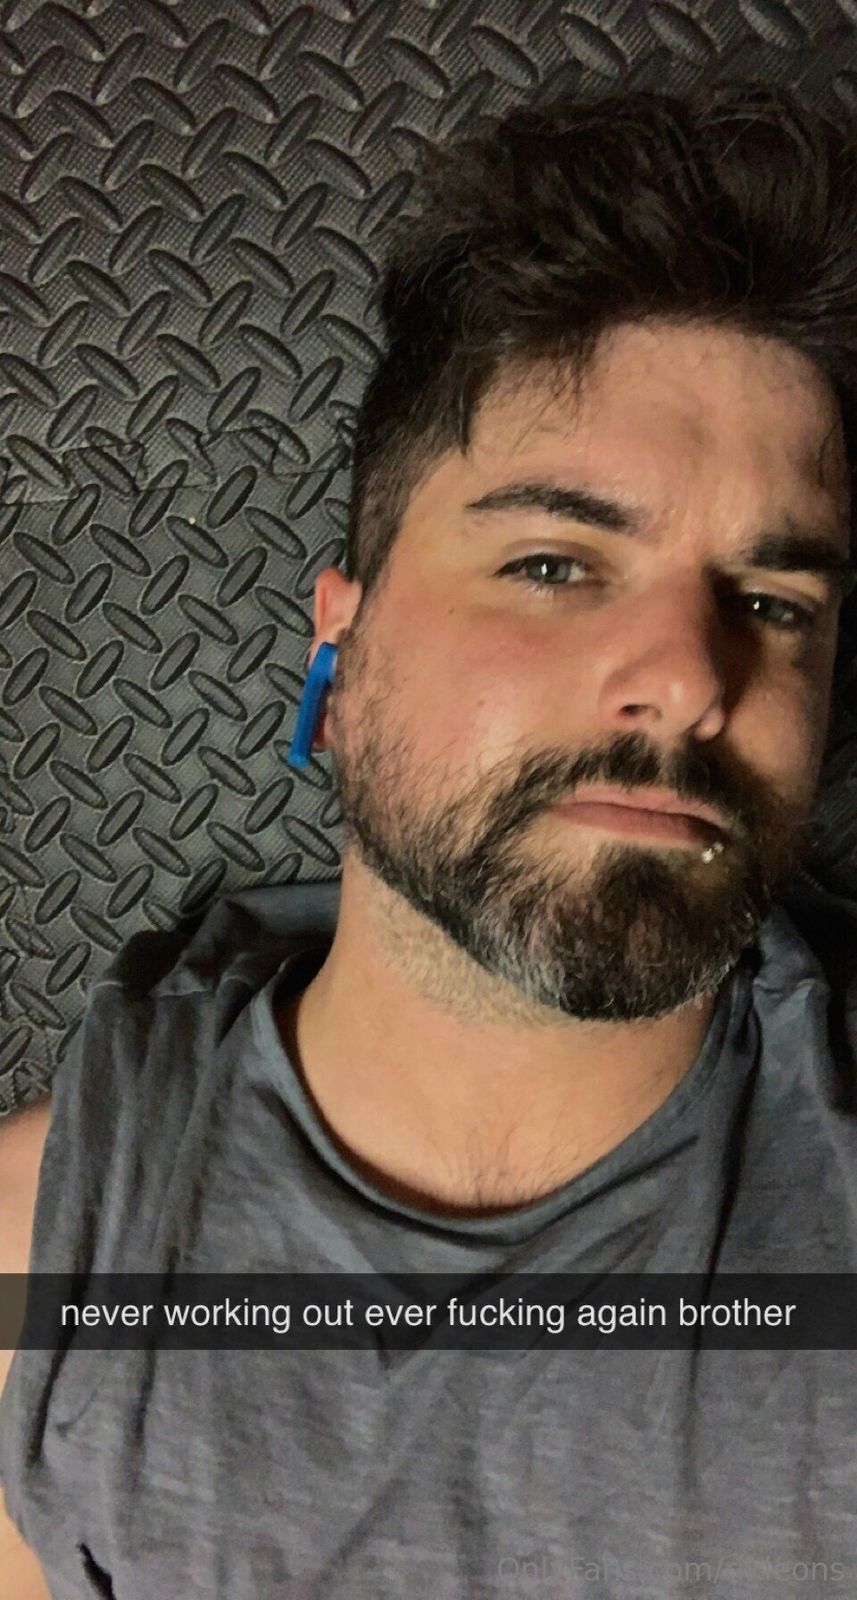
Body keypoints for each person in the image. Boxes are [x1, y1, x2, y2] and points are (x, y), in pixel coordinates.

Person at [3, 76, 857, 1600]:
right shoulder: (32, 1256)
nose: (689, 675)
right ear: (337, 650)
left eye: (769, 602)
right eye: (554, 562)